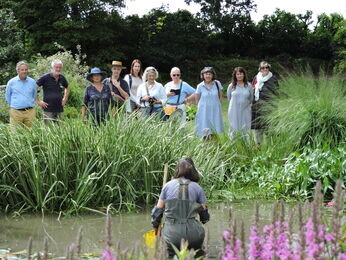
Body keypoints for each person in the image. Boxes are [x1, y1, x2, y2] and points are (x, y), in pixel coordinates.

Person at [151, 157, 210, 259]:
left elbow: (156, 215)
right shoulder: (197, 188)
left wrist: (156, 228)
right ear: (193, 171)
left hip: (171, 235)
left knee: (170, 256)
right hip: (194, 235)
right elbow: (204, 218)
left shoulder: (167, 186)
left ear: (177, 170)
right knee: (197, 256)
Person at [5, 61, 46, 128]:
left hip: (30, 112)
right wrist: (15, 105)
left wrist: (38, 101)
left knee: (30, 134)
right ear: (17, 71)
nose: (24, 71)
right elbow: (8, 97)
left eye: (26, 69)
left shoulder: (32, 82)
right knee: (15, 135)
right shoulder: (11, 82)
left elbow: (34, 95)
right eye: (22, 70)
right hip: (16, 113)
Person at [186, 67, 224, 138]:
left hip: (215, 110)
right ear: (203, 75)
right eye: (206, 74)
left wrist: (217, 106)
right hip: (204, 111)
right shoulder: (200, 86)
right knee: (204, 129)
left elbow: (220, 97)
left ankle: (215, 146)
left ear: (213, 75)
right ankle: (205, 146)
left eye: (210, 74)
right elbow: (197, 100)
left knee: (214, 129)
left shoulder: (217, 84)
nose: (208, 76)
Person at [251, 61, 279, 144]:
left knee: (269, 128)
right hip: (257, 107)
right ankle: (258, 146)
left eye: (267, 67)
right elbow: (252, 89)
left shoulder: (273, 78)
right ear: (260, 69)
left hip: (269, 107)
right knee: (258, 128)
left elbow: (276, 93)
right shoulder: (256, 78)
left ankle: (270, 147)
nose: (265, 69)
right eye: (263, 67)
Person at [36, 59, 70, 124]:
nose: (58, 69)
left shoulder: (62, 78)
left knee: (60, 130)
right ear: (52, 68)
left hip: (59, 109)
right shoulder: (45, 77)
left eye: (60, 67)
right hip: (47, 109)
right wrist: (38, 101)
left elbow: (68, 88)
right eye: (56, 67)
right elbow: (34, 88)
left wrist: (65, 99)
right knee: (48, 130)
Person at [227, 67, 253, 140]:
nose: (239, 76)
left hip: (246, 110)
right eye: (238, 74)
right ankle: (233, 147)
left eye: (241, 74)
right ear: (235, 75)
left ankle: (247, 147)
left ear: (244, 75)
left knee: (245, 128)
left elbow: (251, 98)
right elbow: (229, 98)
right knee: (234, 128)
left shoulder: (249, 85)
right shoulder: (231, 86)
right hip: (234, 110)